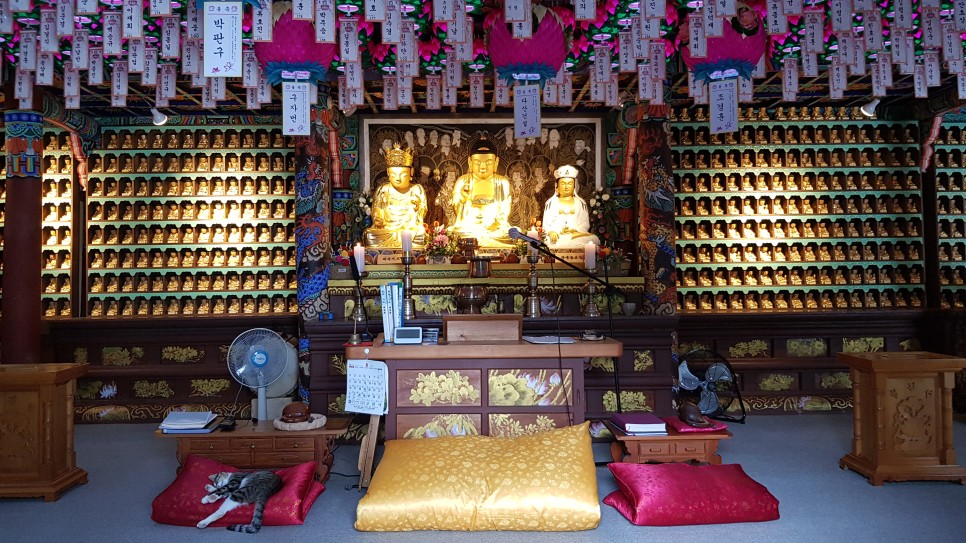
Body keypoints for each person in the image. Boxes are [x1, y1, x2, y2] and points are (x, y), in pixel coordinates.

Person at [451, 139, 514, 245]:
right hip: (469, 228)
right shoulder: (463, 181)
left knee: (508, 233)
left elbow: (504, 211)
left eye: (488, 163)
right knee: (455, 233)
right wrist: (462, 198)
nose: (483, 167)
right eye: (477, 163)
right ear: (470, 162)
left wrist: (494, 222)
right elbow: (456, 210)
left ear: (496, 162)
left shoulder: (502, 183)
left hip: (493, 229)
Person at [364, 144, 428, 248]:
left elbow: (422, 210)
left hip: (409, 229)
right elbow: (377, 208)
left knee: (421, 235)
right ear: (388, 173)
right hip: (387, 229)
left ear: (411, 172)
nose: (398, 178)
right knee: (370, 235)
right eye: (394, 175)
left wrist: (418, 207)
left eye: (403, 175)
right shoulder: (383, 189)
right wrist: (377, 217)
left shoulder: (416, 189)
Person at [542, 165, 599, 248]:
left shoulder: (580, 203)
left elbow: (585, 224)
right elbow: (546, 225)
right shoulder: (551, 203)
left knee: (594, 239)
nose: (566, 187)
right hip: (557, 236)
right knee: (546, 239)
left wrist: (574, 230)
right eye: (563, 183)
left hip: (574, 236)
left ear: (574, 185)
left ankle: (565, 246)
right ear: (557, 186)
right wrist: (551, 232)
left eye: (569, 183)